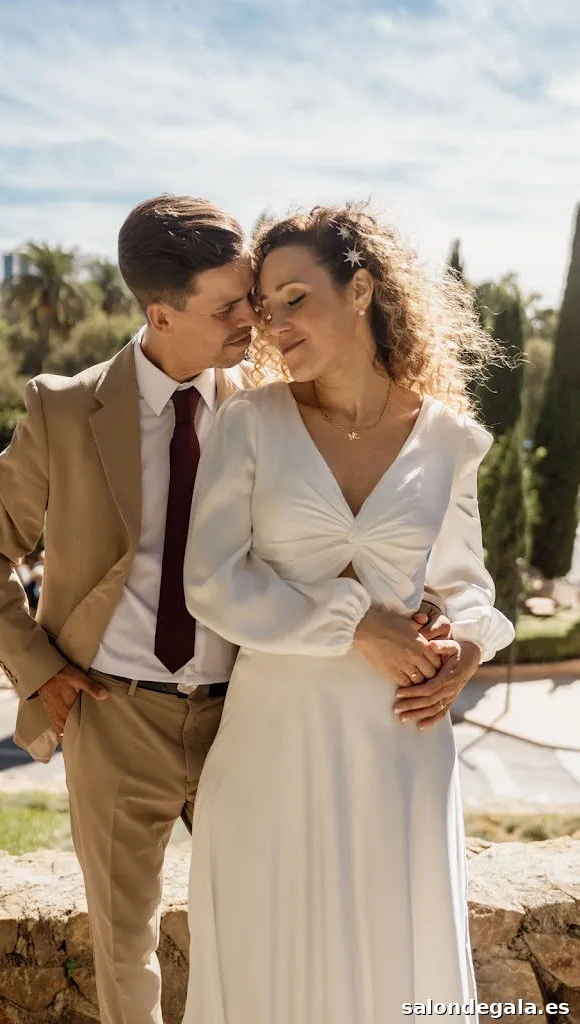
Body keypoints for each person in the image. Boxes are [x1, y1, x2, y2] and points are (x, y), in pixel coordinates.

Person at [0, 194, 448, 1024]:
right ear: (160, 311)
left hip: (248, 715)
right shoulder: (65, 409)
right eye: (227, 307)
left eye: (251, 298)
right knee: (123, 948)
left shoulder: (274, 405)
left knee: (266, 925)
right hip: (115, 715)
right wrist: (39, 672)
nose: (250, 320)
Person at [182, 204, 516, 1024]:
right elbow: (211, 581)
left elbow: (468, 586)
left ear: (360, 288)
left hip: (399, 744)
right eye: (265, 308)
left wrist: (466, 651)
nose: (275, 324)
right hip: (274, 743)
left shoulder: (447, 442)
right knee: (270, 967)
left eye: (295, 298)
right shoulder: (250, 424)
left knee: (393, 966)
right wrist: (355, 623)